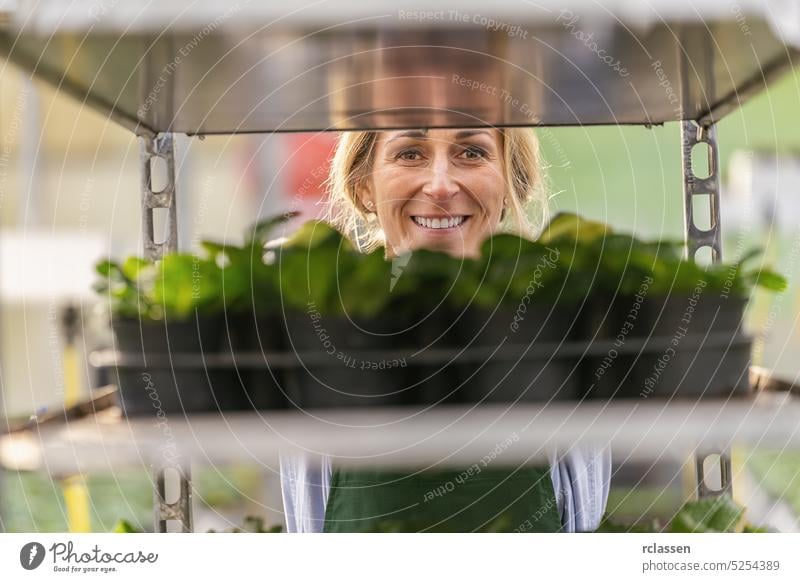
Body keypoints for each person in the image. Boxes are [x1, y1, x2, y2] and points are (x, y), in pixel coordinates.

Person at [280, 127, 610, 532]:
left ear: (510, 183)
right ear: (364, 184)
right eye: (410, 154)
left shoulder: (562, 339)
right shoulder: (321, 344)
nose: (439, 185)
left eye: (472, 152)